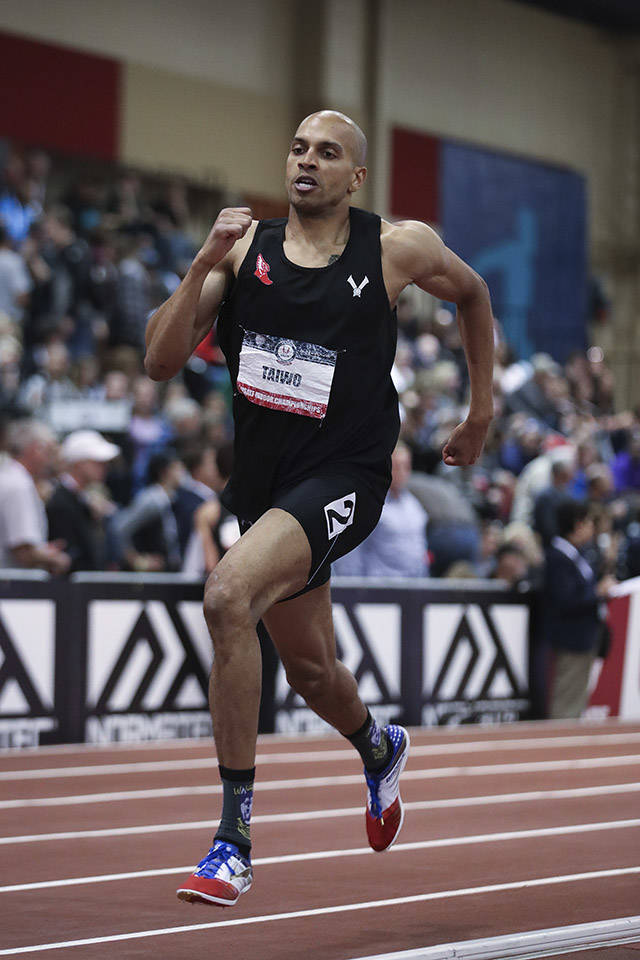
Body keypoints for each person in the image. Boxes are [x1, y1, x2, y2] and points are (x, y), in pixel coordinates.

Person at [145, 110, 494, 907]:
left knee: (228, 595)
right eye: (299, 148)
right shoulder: (243, 249)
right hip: (264, 486)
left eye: (327, 153)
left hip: (348, 473)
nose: (307, 162)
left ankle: (232, 841)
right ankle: (379, 746)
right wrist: (202, 259)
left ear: (355, 178)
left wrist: (480, 414)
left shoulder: (395, 247)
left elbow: (473, 296)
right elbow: (160, 361)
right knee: (310, 671)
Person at [544, 499, 615, 719]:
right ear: (577, 524)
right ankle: (558, 744)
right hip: (571, 637)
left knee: (576, 698)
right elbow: (566, 599)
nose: (592, 529)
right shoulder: (558, 556)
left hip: (584, 635)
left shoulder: (576, 555)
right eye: (588, 523)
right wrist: (597, 592)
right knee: (567, 699)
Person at [333, 442, 429, 577]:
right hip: (379, 588)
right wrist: (354, 589)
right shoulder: (368, 505)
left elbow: (420, 549)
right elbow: (350, 554)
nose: (402, 473)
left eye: (406, 467)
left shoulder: (413, 505)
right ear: (386, 467)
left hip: (413, 587)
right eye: (396, 467)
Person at [0, 420, 70, 574]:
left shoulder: (13, 478)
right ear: (36, 450)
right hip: (13, 591)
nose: (53, 461)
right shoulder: (19, 485)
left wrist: (43, 550)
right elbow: (24, 553)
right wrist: (56, 558)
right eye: (50, 452)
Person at [46, 430, 120, 572]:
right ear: (79, 464)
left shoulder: (82, 499)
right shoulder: (61, 502)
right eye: (97, 462)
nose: (105, 467)